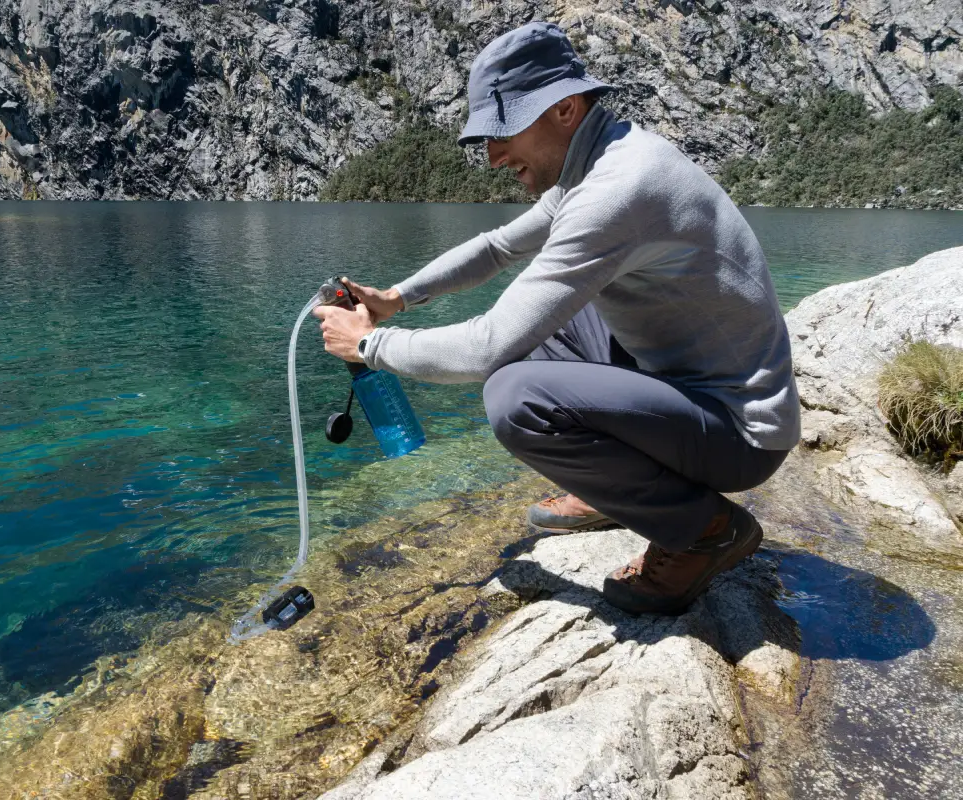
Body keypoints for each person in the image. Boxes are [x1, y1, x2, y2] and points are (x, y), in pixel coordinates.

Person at [312, 21, 799, 615]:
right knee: (550, 323)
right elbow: (496, 248)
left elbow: (486, 348)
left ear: (565, 109)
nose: (492, 156)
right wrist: (397, 296)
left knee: (515, 395)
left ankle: (707, 531)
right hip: (689, 392)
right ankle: (617, 491)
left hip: (740, 433)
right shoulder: (601, 159)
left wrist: (371, 345)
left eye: (501, 132)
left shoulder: (619, 188)